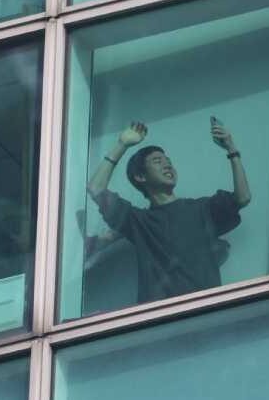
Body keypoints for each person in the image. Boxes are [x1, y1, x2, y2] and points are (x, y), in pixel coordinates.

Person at [86, 118, 251, 304]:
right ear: (140, 176)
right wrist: (122, 144)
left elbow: (242, 198)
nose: (167, 165)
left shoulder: (201, 209)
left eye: (168, 161)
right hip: (162, 315)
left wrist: (232, 150)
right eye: (158, 161)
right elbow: (95, 188)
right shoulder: (140, 222)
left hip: (206, 310)